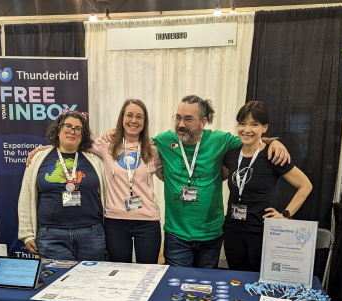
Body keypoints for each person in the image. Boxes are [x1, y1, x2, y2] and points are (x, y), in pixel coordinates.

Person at [105, 95, 290, 269]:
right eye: (178, 118)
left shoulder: (220, 140)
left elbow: (249, 139)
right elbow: (137, 141)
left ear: (203, 121)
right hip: (177, 234)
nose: (181, 124)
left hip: (211, 235)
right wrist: (116, 131)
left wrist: (273, 141)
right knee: (176, 289)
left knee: (204, 289)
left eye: (188, 119)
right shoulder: (164, 141)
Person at [27, 100, 163, 264]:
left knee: (148, 270)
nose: (134, 120)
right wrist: (43, 149)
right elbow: (71, 143)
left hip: (147, 220)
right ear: (121, 118)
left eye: (139, 117)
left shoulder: (153, 151)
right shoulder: (106, 146)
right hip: (116, 220)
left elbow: (167, 174)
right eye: (129, 115)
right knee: (118, 272)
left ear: (145, 122)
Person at [222, 101, 312, 272]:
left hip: (261, 233)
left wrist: (286, 215)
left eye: (254, 124)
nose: (246, 129)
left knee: (259, 282)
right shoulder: (231, 155)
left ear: (264, 127)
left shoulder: (273, 155)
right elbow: (219, 177)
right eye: (242, 123)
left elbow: (305, 185)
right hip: (233, 231)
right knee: (237, 280)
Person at [18, 110, 106, 261]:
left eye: (78, 129)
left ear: (82, 135)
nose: (72, 131)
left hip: (91, 234)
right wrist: (26, 234)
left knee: (91, 282)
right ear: (58, 130)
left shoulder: (96, 160)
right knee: (57, 283)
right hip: (51, 236)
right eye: (68, 126)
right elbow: (25, 197)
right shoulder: (38, 159)